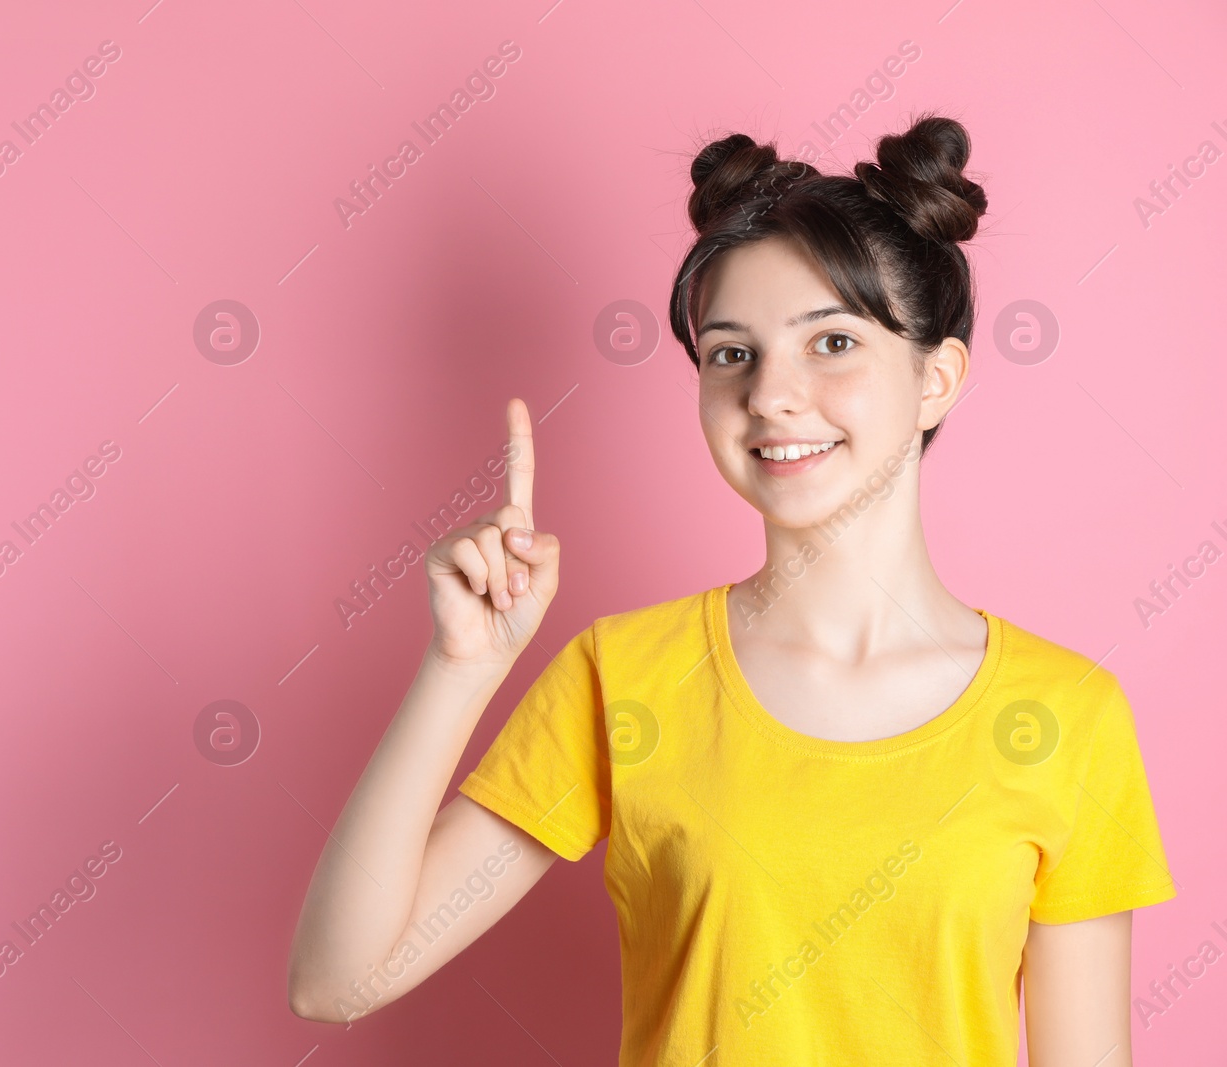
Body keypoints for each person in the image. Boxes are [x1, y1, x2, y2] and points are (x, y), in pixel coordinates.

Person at [287, 112, 1176, 1065]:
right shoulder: (621, 674)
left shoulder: (1067, 715)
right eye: (731, 352)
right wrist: (462, 668)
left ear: (938, 378)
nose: (771, 396)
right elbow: (337, 979)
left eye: (831, 343)